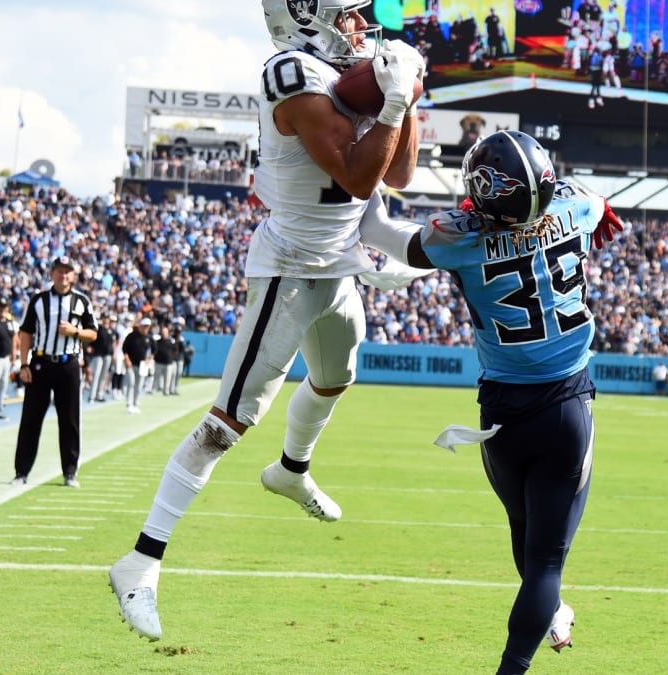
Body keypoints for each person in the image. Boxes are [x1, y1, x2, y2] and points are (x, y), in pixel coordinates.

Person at [109, 0, 424, 642]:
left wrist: (409, 94)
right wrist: (392, 104)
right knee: (226, 424)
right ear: (307, 15)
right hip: (288, 269)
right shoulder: (290, 72)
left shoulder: (349, 69)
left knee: (338, 374)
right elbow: (360, 177)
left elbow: (399, 171)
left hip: (336, 261)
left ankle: (291, 470)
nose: (362, 26)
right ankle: (139, 563)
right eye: (352, 14)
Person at [358, 129, 624, 675]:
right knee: (546, 560)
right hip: (565, 407)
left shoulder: (456, 236)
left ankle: (551, 612)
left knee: (524, 534)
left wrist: (360, 174)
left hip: (500, 413)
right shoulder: (574, 207)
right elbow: (598, 207)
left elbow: (382, 232)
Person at [12, 256, 98, 486]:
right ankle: (21, 472)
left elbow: (93, 333)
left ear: (73, 275)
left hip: (68, 364)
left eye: (68, 271)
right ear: (52, 274)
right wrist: (24, 364)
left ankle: (70, 472)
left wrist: (75, 332)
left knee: (69, 420)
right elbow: (26, 333)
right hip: (40, 363)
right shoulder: (39, 300)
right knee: (31, 418)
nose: (64, 275)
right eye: (60, 271)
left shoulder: (82, 301)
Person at [120, 317, 153, 414]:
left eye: (147, 327)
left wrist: (149, 359)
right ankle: (129, 404)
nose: (146, 329)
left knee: (139, 386)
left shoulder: (148, 338)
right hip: (131, 363)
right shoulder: (132, 336)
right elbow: (124, 348)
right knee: (131, 383)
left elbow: (154, 349)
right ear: (140, 326)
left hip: (142, 365)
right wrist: (127, 359)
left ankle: (135, 403)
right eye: (144, 326)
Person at [87, 313, 116, 402]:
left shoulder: (111, 330)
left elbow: (113, 342)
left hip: (108, 355)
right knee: (96, 375)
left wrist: (113, 353)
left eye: (107, 318)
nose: (106, 320)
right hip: (98, 354)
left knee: (103, 376)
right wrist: (90, 346)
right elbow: (93, 339)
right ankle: (92, 396)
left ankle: (100, 394)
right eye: (105, 318)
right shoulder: (98, 328)